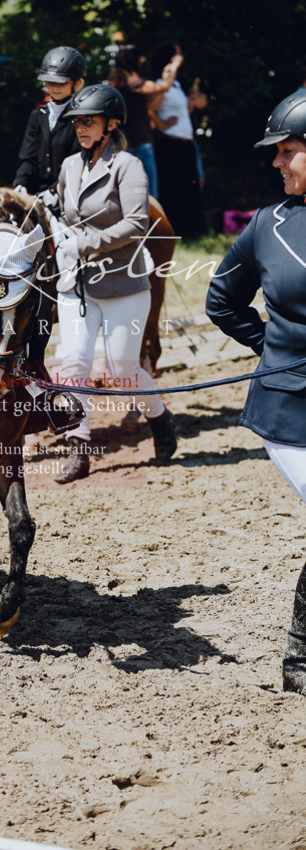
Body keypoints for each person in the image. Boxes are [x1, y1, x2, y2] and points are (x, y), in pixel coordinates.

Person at [206, 90, 306, 694]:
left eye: (288, 152)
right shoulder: (268, 226)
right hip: (289, 408)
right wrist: (274, 353)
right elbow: (221, 300)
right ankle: (300, 658)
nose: (276, 163)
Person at [52, 84, 177, 483]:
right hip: (78, 283)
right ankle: (78, 446)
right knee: (73, 363)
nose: (80, 128)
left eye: (88, 121)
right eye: (77, 122)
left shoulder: (129, 166)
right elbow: (64, 214)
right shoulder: (70, 166)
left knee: (123, 371)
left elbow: (137, 223)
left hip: (123, 281)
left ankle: (160, 419)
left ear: (111, 124)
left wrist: (84, 242)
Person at [109, 43, 183, 200]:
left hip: (124, 143)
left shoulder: (117, 81)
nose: (142, 60)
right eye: (139, 57)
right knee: (150, 195)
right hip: (139, 144)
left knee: (126, 192)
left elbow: (145, 107)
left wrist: (162, 124)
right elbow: (163, 87)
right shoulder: (131, 81)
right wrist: (174, 65)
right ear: (132, 59)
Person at [149, 43, 207, 239]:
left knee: (191, 186)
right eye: (177, 55)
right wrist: (161, 124)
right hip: (169, 143)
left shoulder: (178, 86)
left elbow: (187, 111)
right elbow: (151, 108)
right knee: (174, 188)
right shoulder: (160, 84)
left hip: (186, 142)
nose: (180, 58)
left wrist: (191, 103)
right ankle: (176, 230)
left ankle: (194, 232)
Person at [13, 46, 86, 195]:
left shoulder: (79, 118)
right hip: (36, 191)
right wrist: (21, 182)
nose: (55, 87)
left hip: (68, 189)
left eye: (62, 83)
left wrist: (54, 189)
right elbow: (27, 155)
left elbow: (77, 160)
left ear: (76, 83)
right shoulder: (37, 115)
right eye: (50, 82)